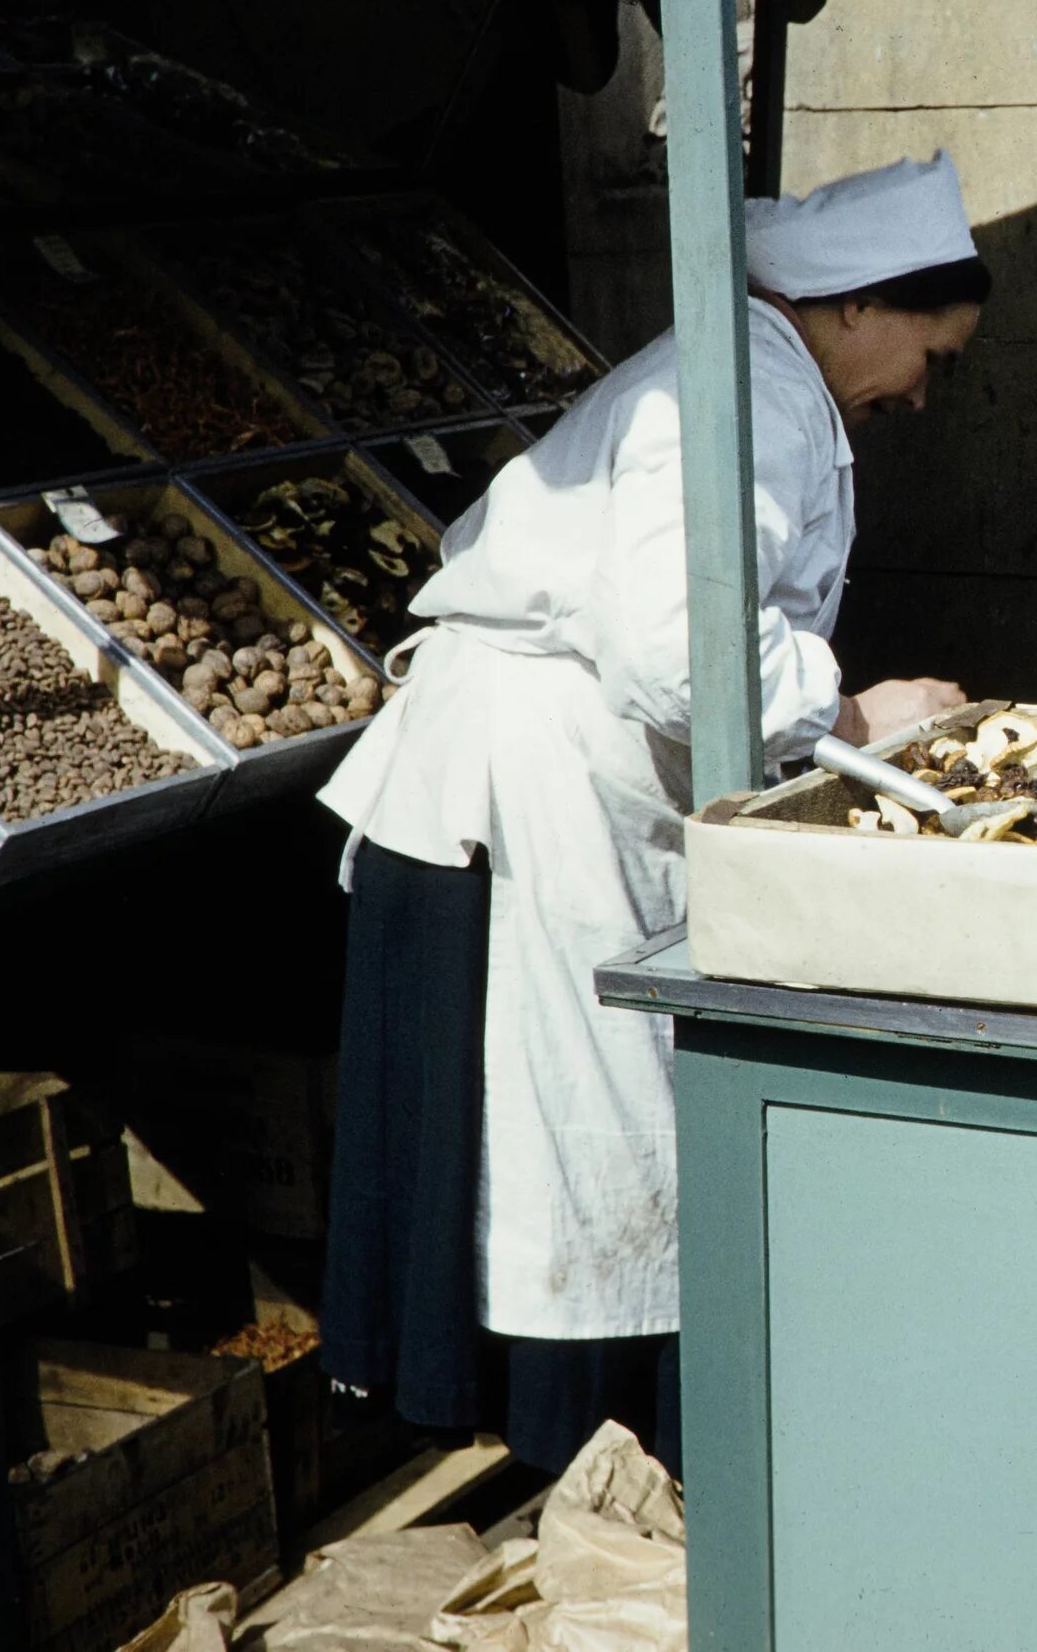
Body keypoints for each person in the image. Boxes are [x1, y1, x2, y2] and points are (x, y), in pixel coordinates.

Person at [315, 152, 987, 1475]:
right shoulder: (727, 399)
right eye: (930, 351)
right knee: (571, 1148)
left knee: (597, 1139)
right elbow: (681, 652)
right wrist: (857, 718)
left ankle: (587, 1465)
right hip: (520, 800)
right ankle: (578, 1471)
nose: (924, 387)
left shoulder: (773, 384)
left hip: (568, 784)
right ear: (855, 305)